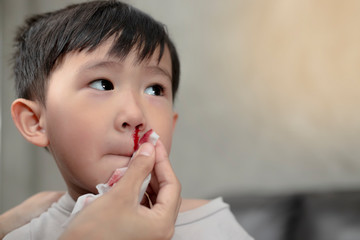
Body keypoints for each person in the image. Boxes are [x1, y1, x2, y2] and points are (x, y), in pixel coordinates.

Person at [3, 1, 254, 239]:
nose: (135, 116)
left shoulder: (212, 224)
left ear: (172, 124)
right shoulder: (26, 235)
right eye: (103, 84)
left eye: (155, 89)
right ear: (35, 121)